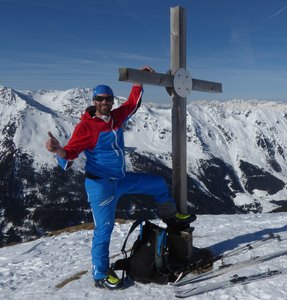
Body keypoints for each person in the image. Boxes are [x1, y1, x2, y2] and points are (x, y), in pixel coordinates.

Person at [45, 66, 196, 290]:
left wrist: (139, 80)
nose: (105, 102)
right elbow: (70, 154)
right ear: (94, 101)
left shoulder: (115, 118)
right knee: (103, 230)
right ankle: (101, 274)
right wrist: (58, 150)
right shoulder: (86, 127)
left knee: (157, 184)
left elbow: (131, 105)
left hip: (122, 179)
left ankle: (172, 218)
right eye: (101, 99)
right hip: (101, 186)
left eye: (109, 99)